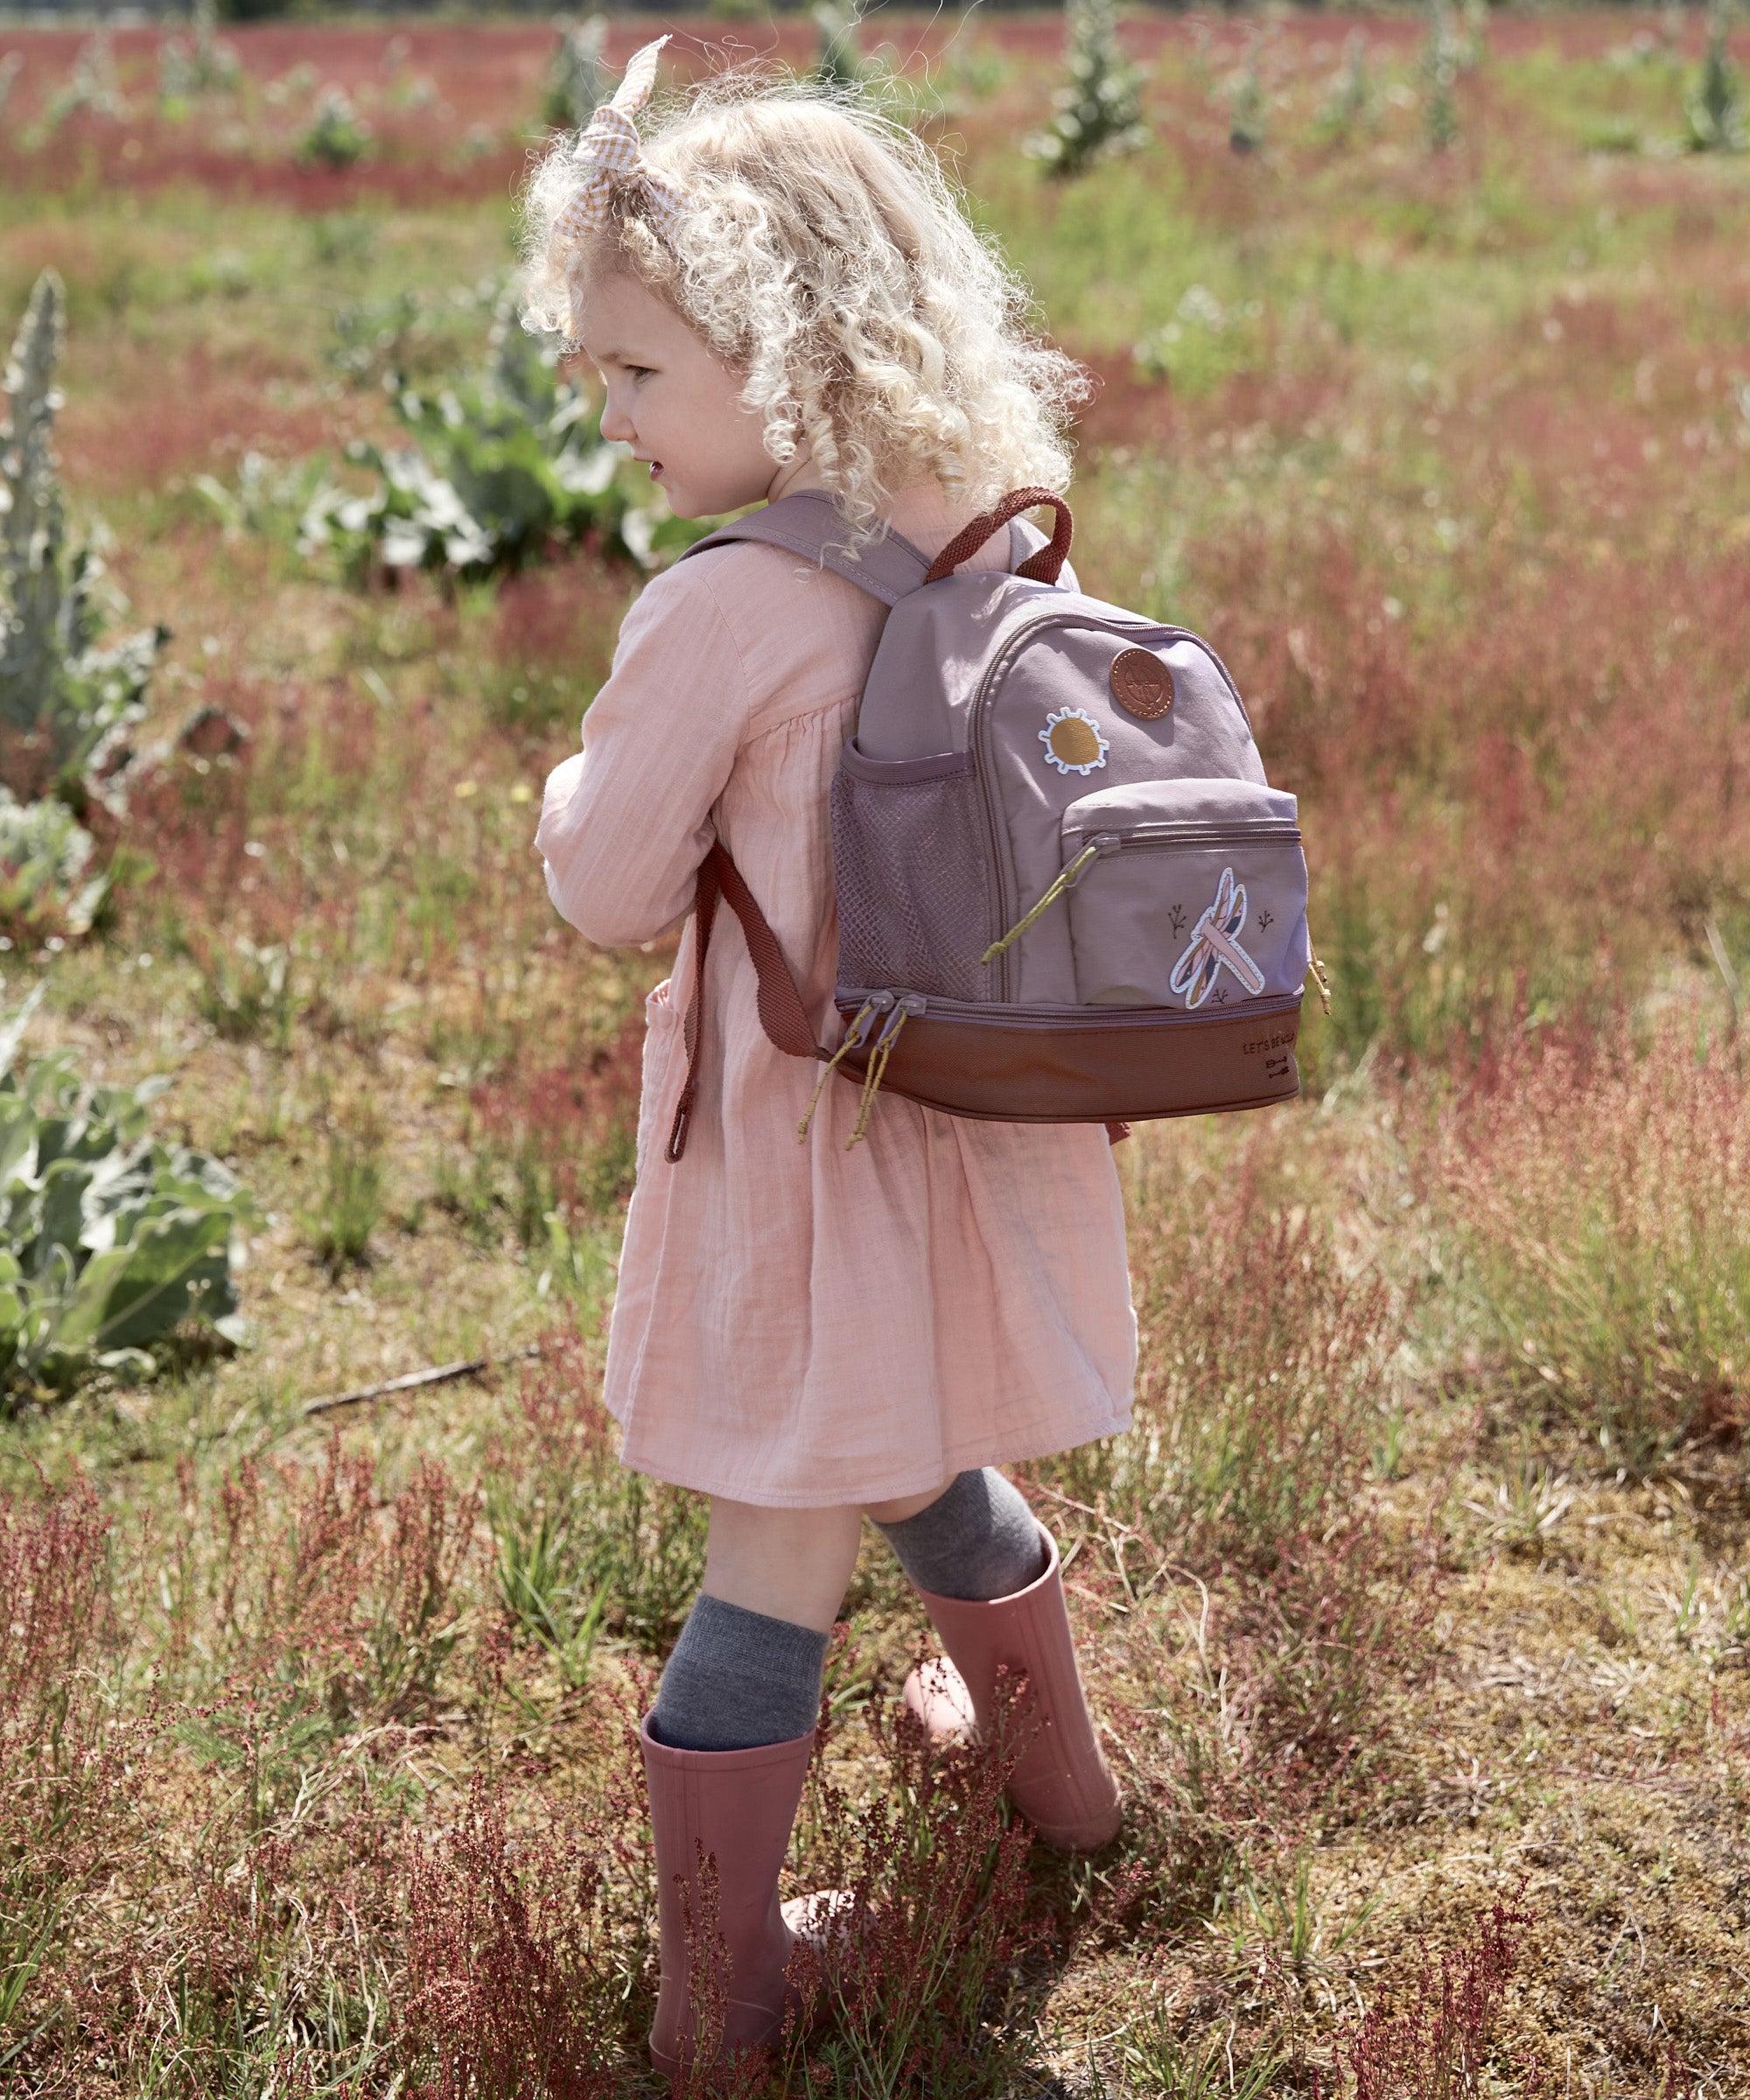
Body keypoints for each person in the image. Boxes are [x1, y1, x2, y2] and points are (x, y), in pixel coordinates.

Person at [524, 40, 1137, 2079]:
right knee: (920, 1431)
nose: (603, 419)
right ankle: (1064, 1798)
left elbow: (614, 886)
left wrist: (561, 787)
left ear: (777, 356)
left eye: (636, 373)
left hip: (801, 1148)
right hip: (966, 1113)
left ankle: (725, 2005)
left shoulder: (723, 608)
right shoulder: (985, 532)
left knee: (773, 1531)